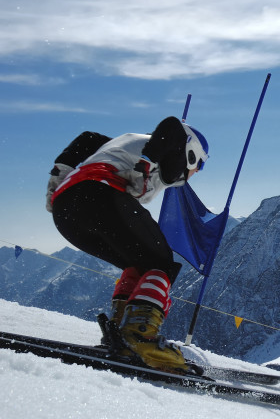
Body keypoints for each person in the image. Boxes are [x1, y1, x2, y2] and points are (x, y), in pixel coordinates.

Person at [47, 116, 209, 373]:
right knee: (161, 264)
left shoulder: (121, 145)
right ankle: (140, 337)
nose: (196, 172)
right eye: (198, 164)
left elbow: (88, 138)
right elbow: (173, 126)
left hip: (65, 211)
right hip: (99, 195)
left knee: (140, 265)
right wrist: (147, 160)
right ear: (190, 152)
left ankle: (121, 336)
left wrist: (60, 173)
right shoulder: (159, 144)